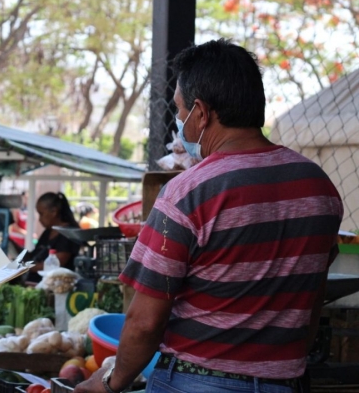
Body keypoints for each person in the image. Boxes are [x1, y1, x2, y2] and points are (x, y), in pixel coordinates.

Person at [74, 39, 343, 393]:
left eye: (180, 110)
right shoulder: (318, 187)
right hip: (287, 381)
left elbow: (144, 320)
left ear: (201, 113)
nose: (180, 122)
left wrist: (110, 382)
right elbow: (312, 297)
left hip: (195, 381)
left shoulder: (189, 192)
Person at [24, 192, 81, 283]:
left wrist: (27, 267)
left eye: (41, 214)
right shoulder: (48, 231)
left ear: (54, 211)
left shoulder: (68, 233)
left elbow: (58, 262)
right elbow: (37, 253)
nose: (39, 219)